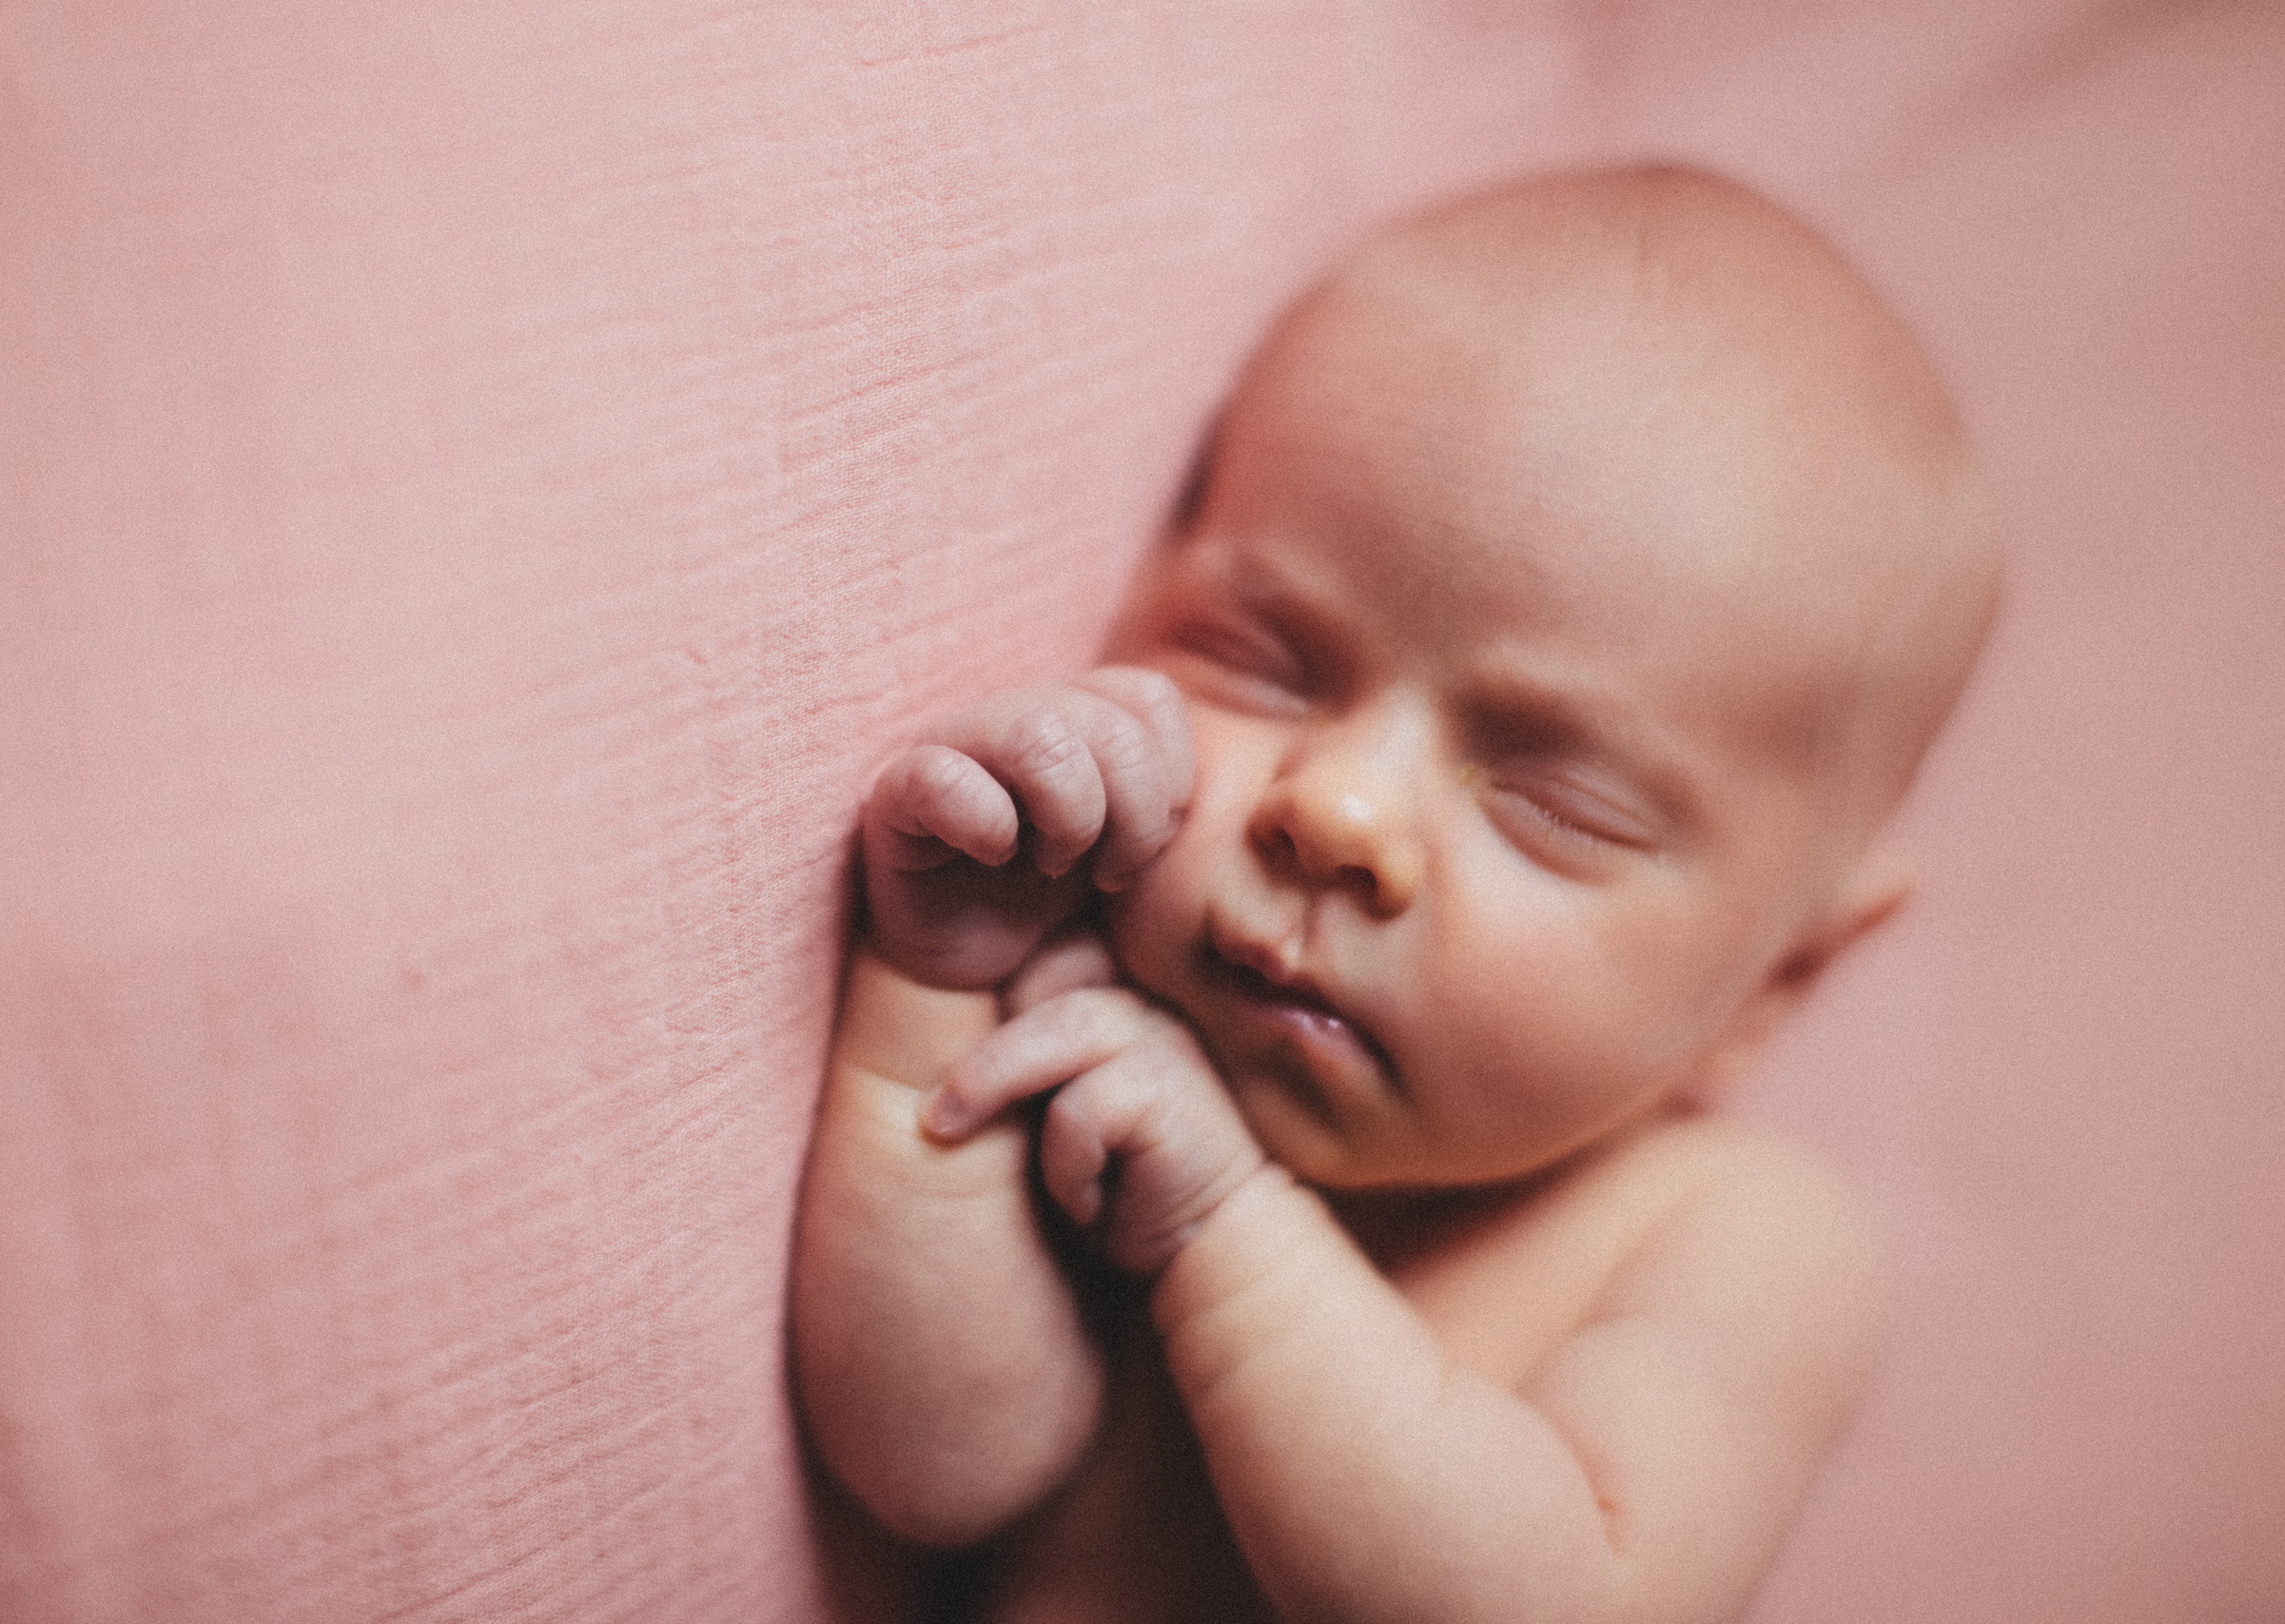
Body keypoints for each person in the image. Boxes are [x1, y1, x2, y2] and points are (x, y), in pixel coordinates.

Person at [791, 165, 2001, 1624]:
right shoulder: (1123, 1046)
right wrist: (930, 991)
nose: (1340, 812)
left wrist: (1224, 1236)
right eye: (1262, 664)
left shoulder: (1730, 1239)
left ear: (1778, 982)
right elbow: (935, 1464)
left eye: (1555, 806)